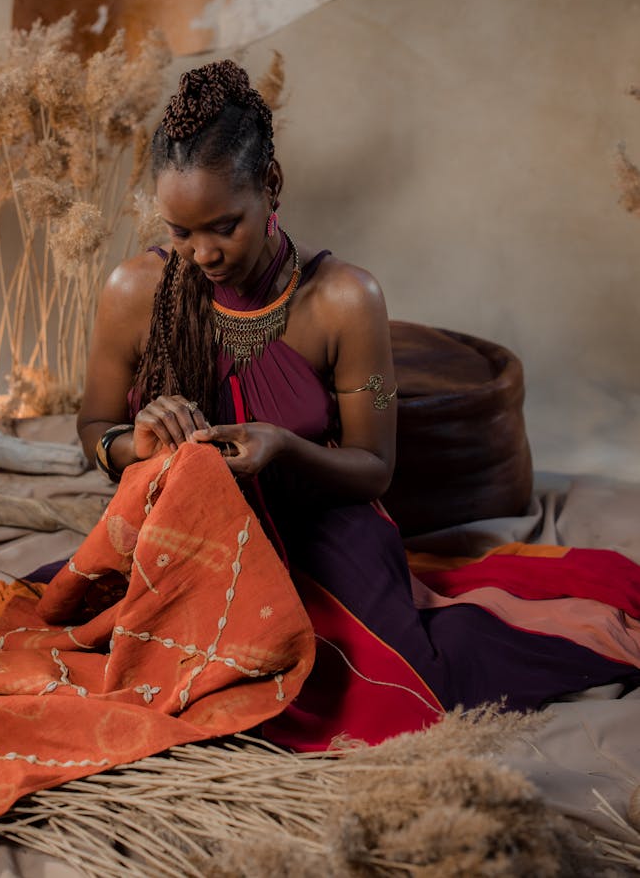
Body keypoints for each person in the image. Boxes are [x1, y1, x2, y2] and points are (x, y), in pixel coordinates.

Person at [77, 59, 640, 748]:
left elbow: (374, 466)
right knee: (127, 672)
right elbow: (94, 429)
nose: (202, 254)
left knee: (385, 683)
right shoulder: (134, 291)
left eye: (224, 226)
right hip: (187, 540)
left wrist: (284, 447)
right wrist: (139, 443)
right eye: (180, 231)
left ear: (272, 185)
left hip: (324, 536)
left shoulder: (346, 299)